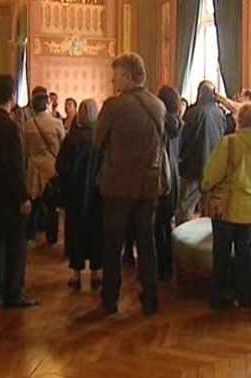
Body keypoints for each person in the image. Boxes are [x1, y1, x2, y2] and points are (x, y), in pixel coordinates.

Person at [94, 52, 165, 316]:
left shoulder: (114, 106)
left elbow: (97, 141)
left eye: (116, 76)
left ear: (126, 76)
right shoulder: (157, 104)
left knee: (112, 246)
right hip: (148, 186)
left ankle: (110, 299)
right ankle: (150, 298)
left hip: (117, 187)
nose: (113, 82)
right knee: (147, 245)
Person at [0, 74, 39, 308]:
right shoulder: (10, 127)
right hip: (11, 198)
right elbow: (14, 167)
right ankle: (14, 293)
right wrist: (23, 196)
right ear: (12, 95)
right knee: (15, 247)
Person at [201, 101, 251, 311]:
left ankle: (218, 297)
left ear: (241, 120)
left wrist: (205, 185)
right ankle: (246, 296)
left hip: (226, 206)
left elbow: (212, 174)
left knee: (221, 253)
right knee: (244, 253)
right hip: (250, 207)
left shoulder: (229, 143)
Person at [56, 99, 102, 290]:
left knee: (75, 232)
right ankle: (96, 273)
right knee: (96, 232)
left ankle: (76, 274)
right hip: (96, 194)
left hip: (75, 195)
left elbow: (60, 166)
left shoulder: (71, 138)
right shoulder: (100, 139)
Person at [176, 81, 227, 224]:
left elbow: (184, 139)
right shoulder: (220, 113)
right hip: (214, 166)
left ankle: (183, 241)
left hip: (192, 165)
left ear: (200, 93)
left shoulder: (193, 112)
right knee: (208, 208)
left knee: (186, 207)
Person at [24, 86, 65, 245]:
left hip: (34, 168)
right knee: (52, 205)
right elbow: (62, 145)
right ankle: (52, 237)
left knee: (34, 203)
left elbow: (26, 148)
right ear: (47, 104)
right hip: (51, 168)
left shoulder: (28, 125)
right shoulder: (56, 123)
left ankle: (30, 234)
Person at [155, 85, 182, 281]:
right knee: (166, 221)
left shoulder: (160, 125)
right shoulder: (179, 124)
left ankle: (160, 265)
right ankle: (168, 262)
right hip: (174, 174)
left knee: (158, 224)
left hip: (161, 176)